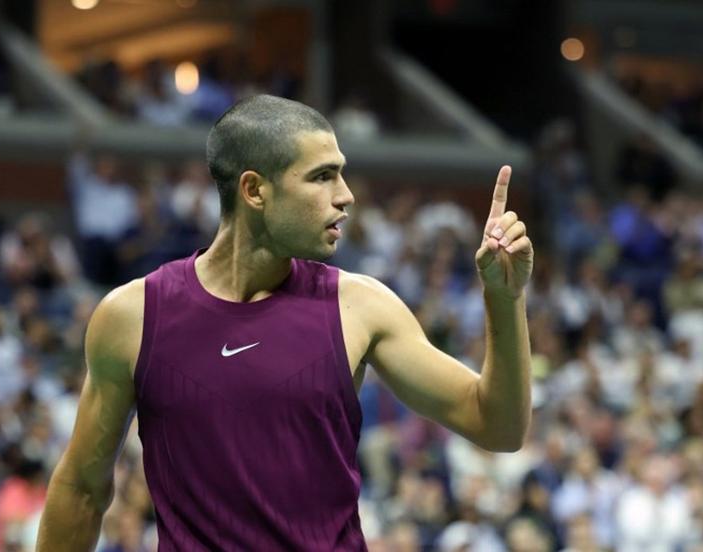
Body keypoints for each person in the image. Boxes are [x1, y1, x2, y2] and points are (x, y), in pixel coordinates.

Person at [35, 94, 534, 550]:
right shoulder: (133, 316)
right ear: (254, 190)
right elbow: (81, 489)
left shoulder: (361, 307)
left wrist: (504, 298)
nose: (346, 195)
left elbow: (499, 427)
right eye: (321, 176)